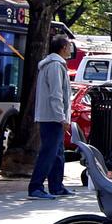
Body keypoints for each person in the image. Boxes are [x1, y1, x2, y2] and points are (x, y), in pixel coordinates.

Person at [28, 33, 74, 200]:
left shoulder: (55, 64)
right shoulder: (55, 66)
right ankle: (36, 187)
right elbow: (56, 94)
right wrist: (61, 117)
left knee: (57, 153)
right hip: (52, 117)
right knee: (49, 152)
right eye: (69, 46)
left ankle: (56, 186)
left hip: (52, 117)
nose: (71, 49)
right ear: (63, 48)